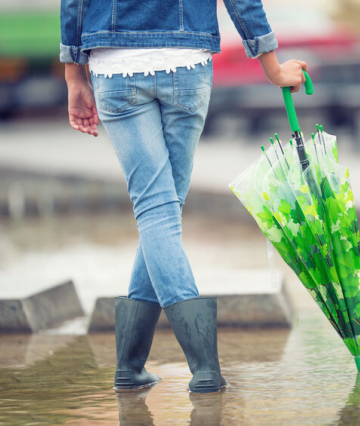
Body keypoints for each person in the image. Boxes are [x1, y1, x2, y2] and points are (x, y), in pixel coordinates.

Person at [59, 0, 307, 394]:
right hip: (185, 63)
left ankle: (130, 365)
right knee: (162, 212)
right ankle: (204, 368)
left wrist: (74, 75)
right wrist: (273, 68)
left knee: (158, 212)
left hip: (114, 65)